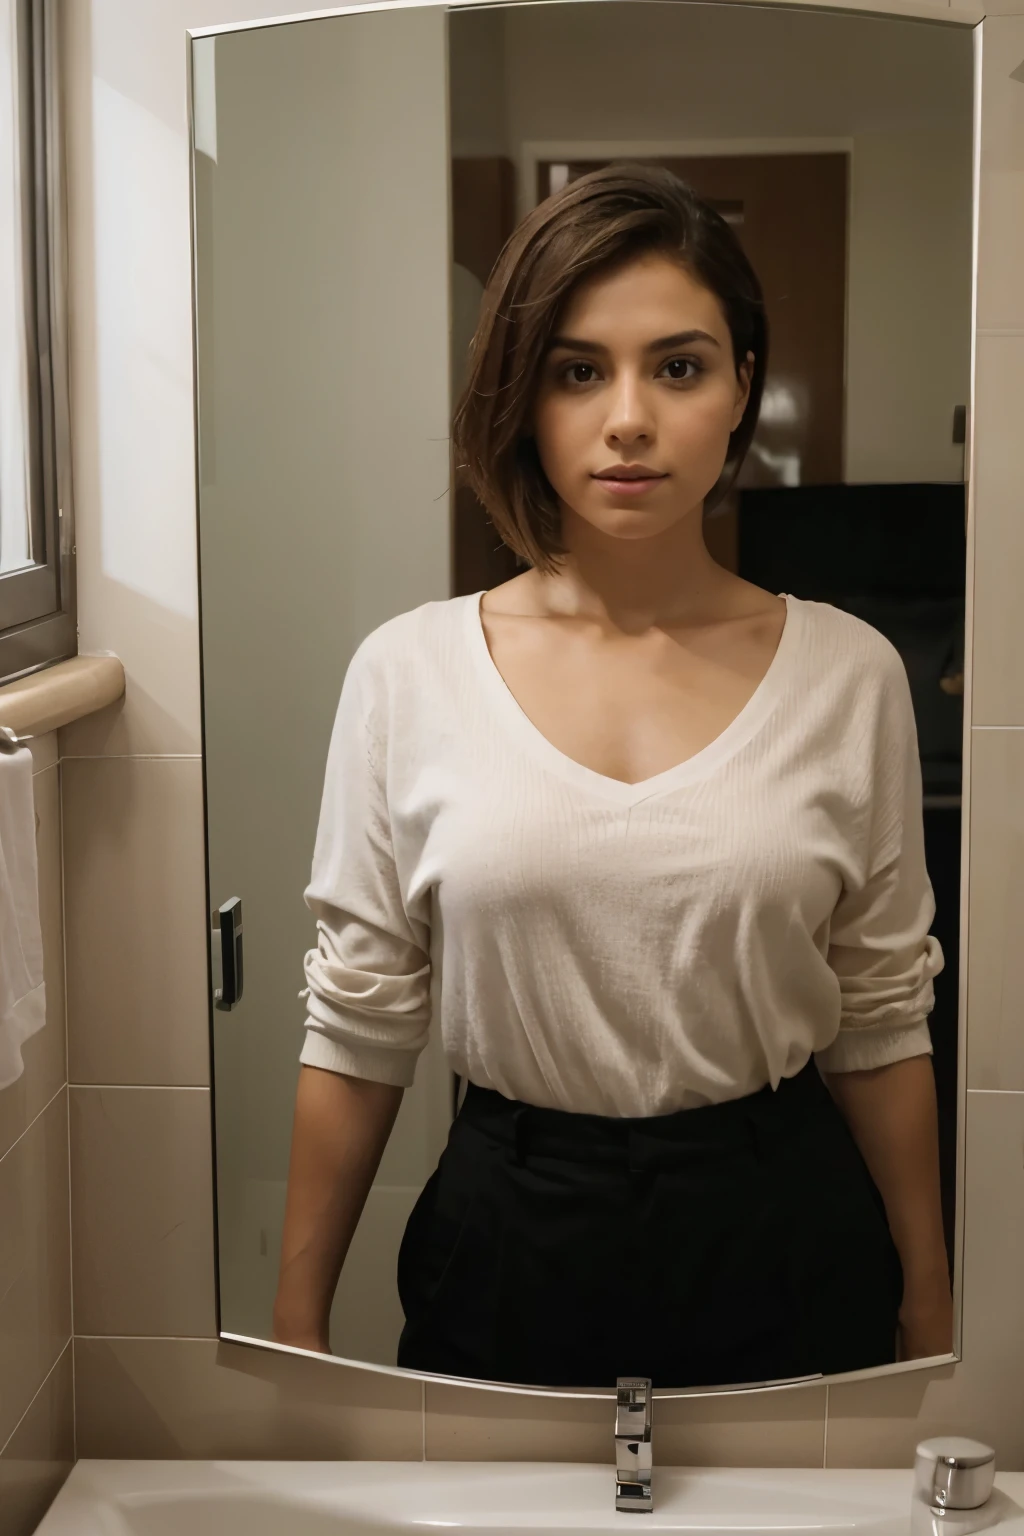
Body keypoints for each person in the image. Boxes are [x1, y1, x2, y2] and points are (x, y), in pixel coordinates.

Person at [272, 163, 953, 1390]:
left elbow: (881, 1011)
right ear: (523, 396)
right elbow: (359, 1021)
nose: (627, 417)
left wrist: (929, 1302)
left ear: (741, 386)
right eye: (578, 370)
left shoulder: (849, 674)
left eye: (677, 367)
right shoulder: (408, 671)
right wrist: (297, 1334)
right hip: (509, 1230)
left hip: (783, 1223)